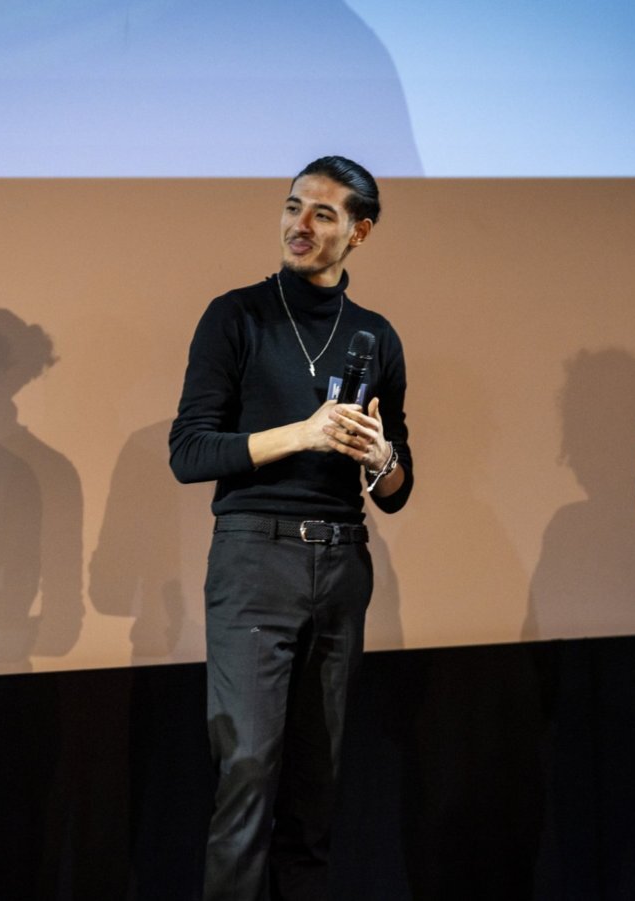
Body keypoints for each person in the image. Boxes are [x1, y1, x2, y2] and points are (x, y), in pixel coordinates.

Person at [169, 155, 413, 900]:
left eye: (323, 213)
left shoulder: (375, 335)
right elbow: (188, 452)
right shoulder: (236, 315)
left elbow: (398, 490)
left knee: (316, 792)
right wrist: (300, 435)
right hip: (254, 560)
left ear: (360, 233)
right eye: (292, 206)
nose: (299, 225)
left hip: (341, 566)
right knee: (246, 779)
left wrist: (383, 456)